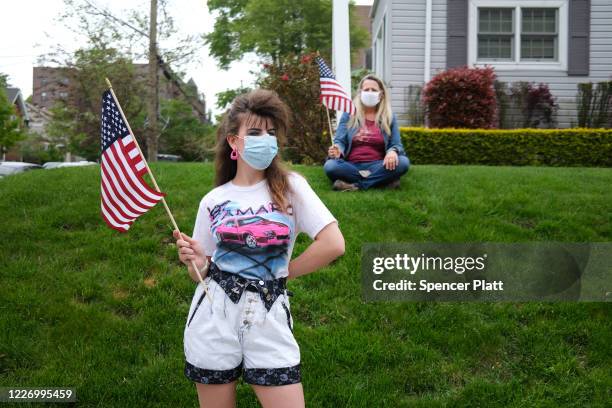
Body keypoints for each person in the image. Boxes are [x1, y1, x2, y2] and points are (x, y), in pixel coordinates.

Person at [173, 89, 345, 408]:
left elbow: (334, 243)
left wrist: (283, 273)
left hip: (268, 316)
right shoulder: (213, 201)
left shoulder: (291, 187)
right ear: (234, 142)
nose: (264, 139)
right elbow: (200, 273)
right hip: (213, 316)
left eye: (270, 132)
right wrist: (196, 261)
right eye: (254, 133)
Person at [323, 74, 410, 191]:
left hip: (379, 165)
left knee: (403, 163)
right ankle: (382, 182)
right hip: (351, 165)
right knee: (331, 166)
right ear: (360, 93)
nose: (369, 92)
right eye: (366, 89)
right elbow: (340, 141)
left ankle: (355, 186)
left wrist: (392, 152)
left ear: (381, 94)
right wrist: (338, 149)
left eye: (373, 90)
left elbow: (396, 144)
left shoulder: (389, 117)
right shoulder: (349, 114)